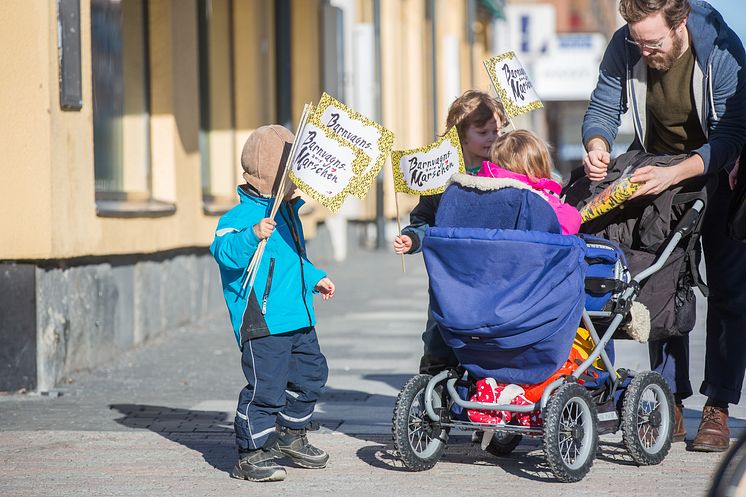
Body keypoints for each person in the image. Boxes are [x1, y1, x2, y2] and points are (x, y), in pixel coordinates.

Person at [581, 0, 746, 452]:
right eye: (638, 41)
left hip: (720, 171)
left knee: (731, 292)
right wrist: (596, 144)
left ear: (681, 23)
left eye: (653, 42)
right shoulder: (627, 43)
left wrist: (676, 174)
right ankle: (669, 398)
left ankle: (718, 406)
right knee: (660, 285)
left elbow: (731, 135)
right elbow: (602, 107)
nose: (645, 50)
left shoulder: (723, 51)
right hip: (658, 168)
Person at [210, 125, 336, 482]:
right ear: (273, 174)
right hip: (262, 320)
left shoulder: (288, 213)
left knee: (311, 375)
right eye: (293, 173)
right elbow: (224, 253)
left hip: (298, 315)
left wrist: (314, 278)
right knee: (266, 387)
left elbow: (292, 259)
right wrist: (252, 235)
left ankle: (290, 434)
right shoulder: (241, 217)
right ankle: (251, 452)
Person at [392, 90, 507, 375]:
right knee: (438, 333)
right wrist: (412, 238)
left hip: (495, 270)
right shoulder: (440, 177)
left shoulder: (505, 170)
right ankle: (433, 379)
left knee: (492, 334)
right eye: (483, 132)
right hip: (451, 273)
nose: (492, 138)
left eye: (496, 131)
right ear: (460, 134)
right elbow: (424, 219)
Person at [478, 130, 581, 235]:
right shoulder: (538, 198)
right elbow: (563, 227)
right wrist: (571, 212)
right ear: (534, 168)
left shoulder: (483, 189)